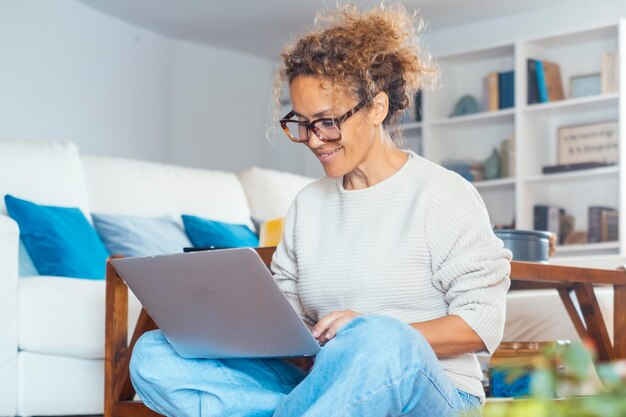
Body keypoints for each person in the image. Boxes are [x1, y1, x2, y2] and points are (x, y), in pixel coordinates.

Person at [129, 4, 512, 417]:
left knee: (381, 339)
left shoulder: (443, 194)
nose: (313, 140)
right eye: (302, 123)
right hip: (322, 385)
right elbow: (287, 313)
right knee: (155, 354)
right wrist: (241, 324)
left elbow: (480, 325)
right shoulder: (308, 205)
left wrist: (363, 334)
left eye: (327, 121)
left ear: (377, 108)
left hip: (434, 391)